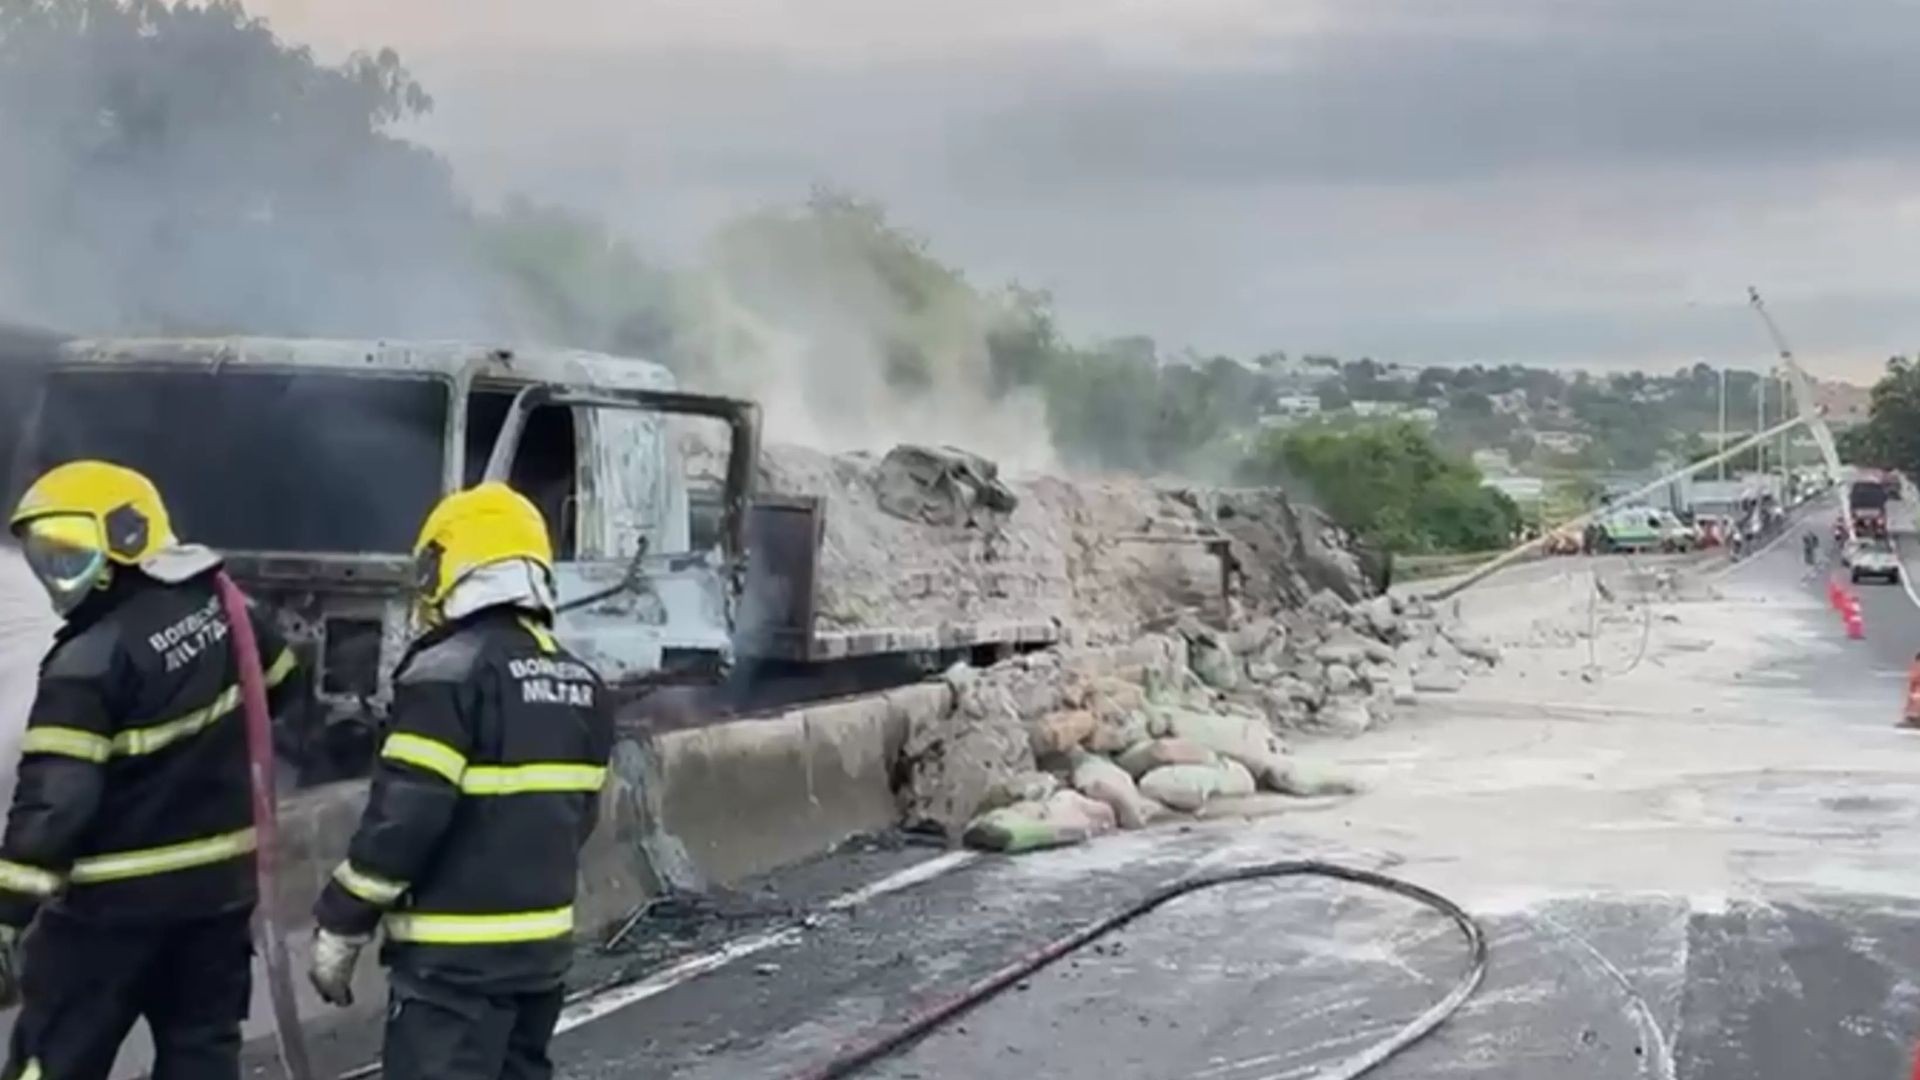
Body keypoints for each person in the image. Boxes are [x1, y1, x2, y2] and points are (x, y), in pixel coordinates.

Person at [0, 460, 299, 1080]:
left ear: (128, 538)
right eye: (44, 559)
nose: (57, 578)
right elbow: (280, 686)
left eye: (69, 556)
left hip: (107, 916)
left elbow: (55, 805)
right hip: (218, 901)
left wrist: (5, 912)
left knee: (54, 1060)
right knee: (201, 1056)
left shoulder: (87, 662)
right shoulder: (223, 604)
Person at [309, 483, 613, 1080]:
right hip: (541, 960)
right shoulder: (583, 683)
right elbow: (578, 815)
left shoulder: (444, 677)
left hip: (453, 973)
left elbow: (403, 819)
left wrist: (343, 921)